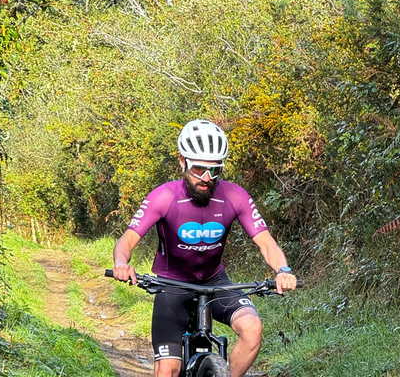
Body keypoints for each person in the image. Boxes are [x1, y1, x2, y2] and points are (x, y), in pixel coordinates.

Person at [113, 119, 298, 377]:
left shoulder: (235, 196)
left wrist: (283, 269)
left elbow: (266, 242)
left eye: (214, 170)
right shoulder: (164, 197)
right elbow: (127, 240)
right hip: (173, 286)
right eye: (199, 168)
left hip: (215, 281)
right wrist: (121, 263)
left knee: (252, 327)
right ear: (182, 161)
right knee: (168, 370)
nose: (206, 178)